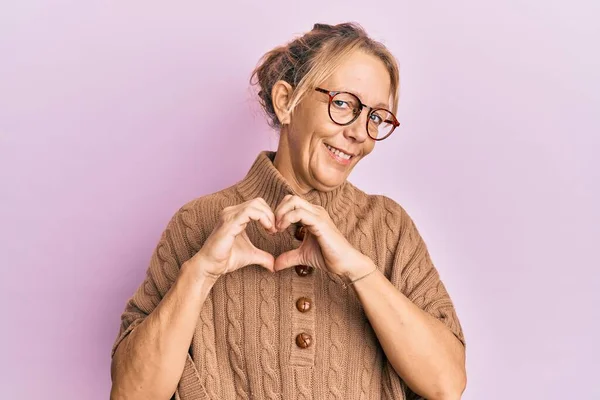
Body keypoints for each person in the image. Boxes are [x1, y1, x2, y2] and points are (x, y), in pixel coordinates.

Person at [110, 22, 466, 400]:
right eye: (344, 104)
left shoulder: (389, 226)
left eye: (376, 117)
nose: (361, 133)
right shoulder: (199, 222)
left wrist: (359, 269)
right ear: (286, 102)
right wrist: (200, 273)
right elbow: (132, 393)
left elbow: (446, 384)